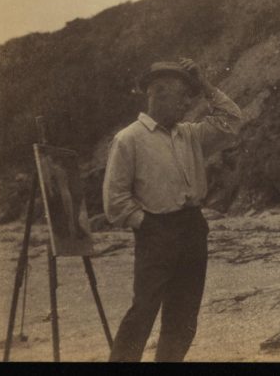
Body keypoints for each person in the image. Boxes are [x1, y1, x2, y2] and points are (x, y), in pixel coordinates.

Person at [103, 57, 242, 362]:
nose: (188, 104)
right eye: (183, 96)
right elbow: (115, 200)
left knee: (183, 317)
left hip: (193, 228)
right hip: (155, 231)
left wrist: (205, 85)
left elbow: (232, 121)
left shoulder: (190, 134)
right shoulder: (128, 139)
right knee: (142, 314)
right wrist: (148, 225)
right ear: (159, 93)